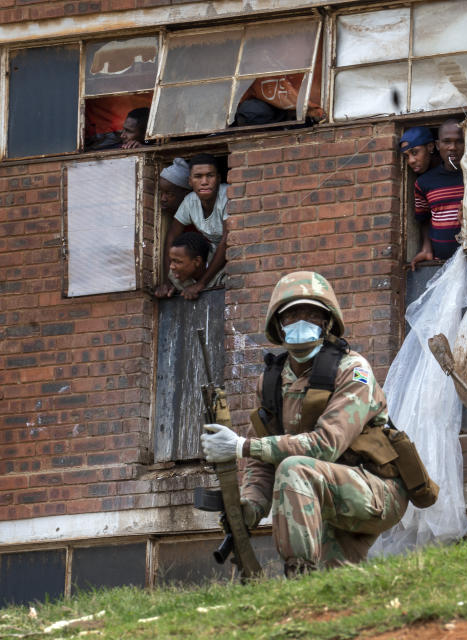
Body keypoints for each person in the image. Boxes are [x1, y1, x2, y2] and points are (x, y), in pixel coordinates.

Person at [200, 272, 411, 575]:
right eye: (293, 314)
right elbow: (261, 464)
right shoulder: (271, 381)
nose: (302, 321)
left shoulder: (352, 370)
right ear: (278, 325)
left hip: (376, 488)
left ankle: (298, 572)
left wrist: (239, 447)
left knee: (293, 468)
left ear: (327, 322)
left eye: (313, 314)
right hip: (319, 492)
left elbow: (325, 445)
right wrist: (248, 507)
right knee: (337, 587)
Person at [155, 154, 228, 300]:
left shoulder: (227, 195)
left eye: (210, 176)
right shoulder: (190, 202)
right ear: (190, 181)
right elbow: (171, 236)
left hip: (231, 251)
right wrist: (166, 281)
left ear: (219, 178)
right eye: (198, 177)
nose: (204, 182)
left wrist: (201, 284)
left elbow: (227, 240)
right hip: (213, 252)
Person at [409, 119, 464, 270]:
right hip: (441, 264)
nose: (452, 147)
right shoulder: (424, 182)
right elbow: (425, 219)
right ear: (438, 145)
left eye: (458, 142)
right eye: (447, 142)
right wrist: (427, 249)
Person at [157, 231, 226, 299]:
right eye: (171, 260)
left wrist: (201, 284)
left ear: (197, 261)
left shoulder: (225, 274)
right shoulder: (173, 276)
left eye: (177, 261)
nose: (171, 266)